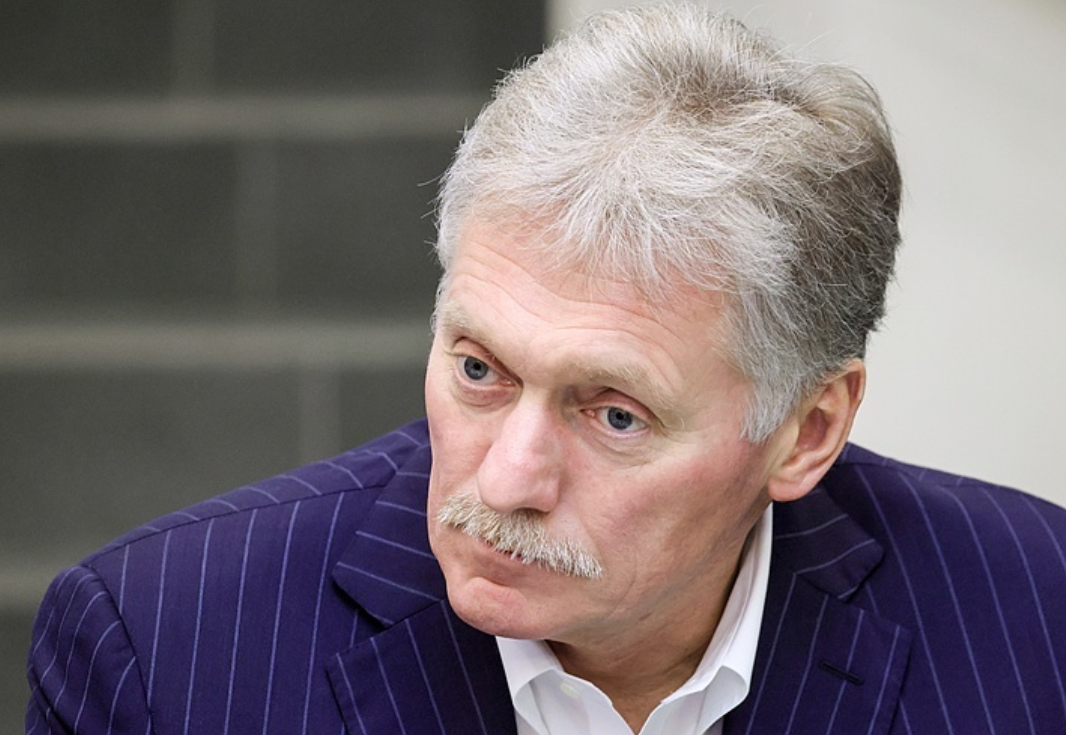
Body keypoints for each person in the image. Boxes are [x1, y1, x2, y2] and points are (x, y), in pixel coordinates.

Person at [26, 5, 1066, 734]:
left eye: (613, 415)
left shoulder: (1036, 619)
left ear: (807, 431)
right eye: (479, 370)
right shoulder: (159, 652)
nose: (505, 479)